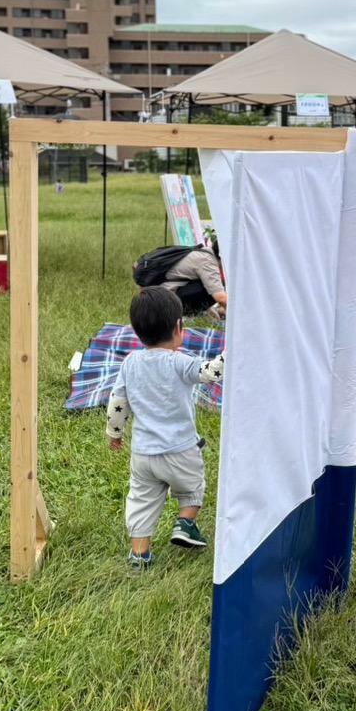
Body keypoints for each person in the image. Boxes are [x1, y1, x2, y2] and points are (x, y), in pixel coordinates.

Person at [106, 286, 225, 571]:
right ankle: (185, 523)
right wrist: (232, 353)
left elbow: (118, 402)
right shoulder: (180, 362)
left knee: (142, 501)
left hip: (144, 455)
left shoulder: (130, 363)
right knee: (192, 488)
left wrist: (115, 433)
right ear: (178, 327)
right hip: (181, 449)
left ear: (137, 331)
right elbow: (210, 372)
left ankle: (139, 555)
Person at [161, 245, 227, 318]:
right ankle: (179, 314)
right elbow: (221, 299)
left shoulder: (205, 252)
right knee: (217, 289)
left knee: (212, 288)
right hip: (167, 300)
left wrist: (211, 311)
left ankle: (198, 314)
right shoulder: (208, 262)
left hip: (163, 292)